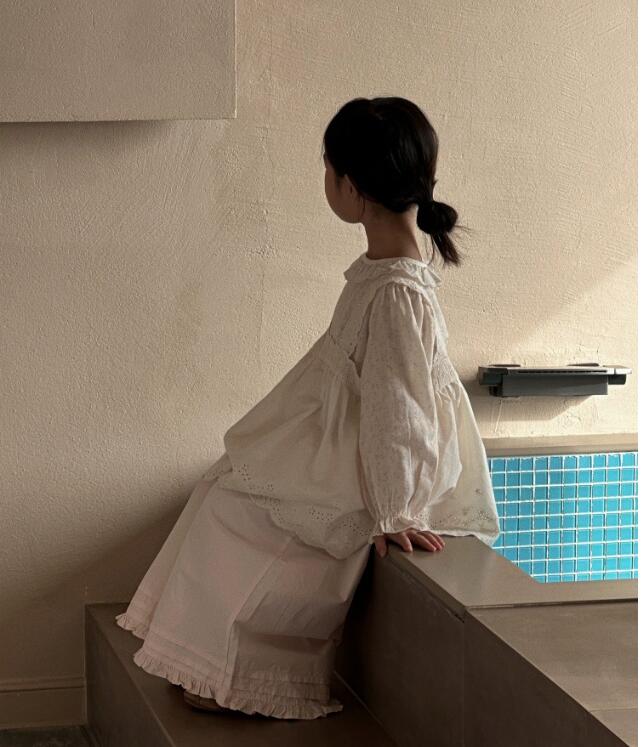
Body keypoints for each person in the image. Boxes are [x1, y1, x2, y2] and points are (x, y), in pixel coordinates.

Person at [114, 96, 501, 720]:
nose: (325, 178)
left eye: (327, 167)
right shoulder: (384, 274)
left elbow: (399, 411)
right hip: (339, 440)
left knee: (244, 515)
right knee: (224, 492)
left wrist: (395, 508)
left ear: (352, 187)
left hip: (360, 465)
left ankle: (241, 677)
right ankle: (213, 665)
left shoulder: (398, 292)